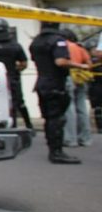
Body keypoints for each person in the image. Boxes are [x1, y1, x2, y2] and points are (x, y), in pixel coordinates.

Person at [29, 21, 90, 164]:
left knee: (49, 118)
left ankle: (53, 149)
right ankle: (57, 152)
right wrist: (81, 66)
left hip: (41, 82)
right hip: (55, 83)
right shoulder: (58, 41)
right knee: (57, 118)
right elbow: (60, 62)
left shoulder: (36, 41)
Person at [61, 30, 93, 147]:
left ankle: (70, 138)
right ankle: (85, 138)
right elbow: (89, 64)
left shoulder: (62, 46)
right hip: (81, 77)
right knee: (82, 108)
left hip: (68, 76)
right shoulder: (80, 47)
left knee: (69, 108)